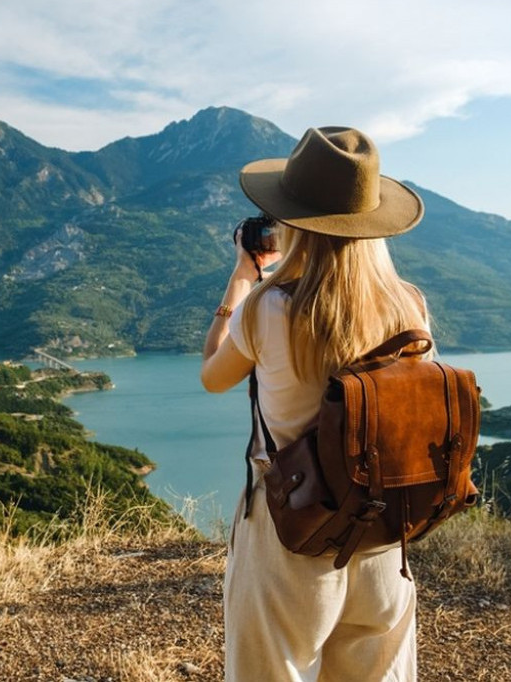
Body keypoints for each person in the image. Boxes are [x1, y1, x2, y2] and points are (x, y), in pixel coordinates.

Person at [200, 126, 429, 682]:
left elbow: (213, 375)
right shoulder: (410, 309)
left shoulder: (268, 307)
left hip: (291, 536)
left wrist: (239, 281)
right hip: (380, 537)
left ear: (291, 222)